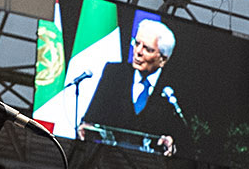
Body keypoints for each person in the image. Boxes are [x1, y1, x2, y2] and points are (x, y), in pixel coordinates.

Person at [80, 11, 188, 156]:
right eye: (137, 43)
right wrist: (87, 128)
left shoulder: (174, 88)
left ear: (163, 59)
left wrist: (171, 143)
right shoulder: (114, 73)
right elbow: (91, 118)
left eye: (148, 49)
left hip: (149, 165)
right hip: (107, 158)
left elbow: (181, 138)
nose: (138, 52)